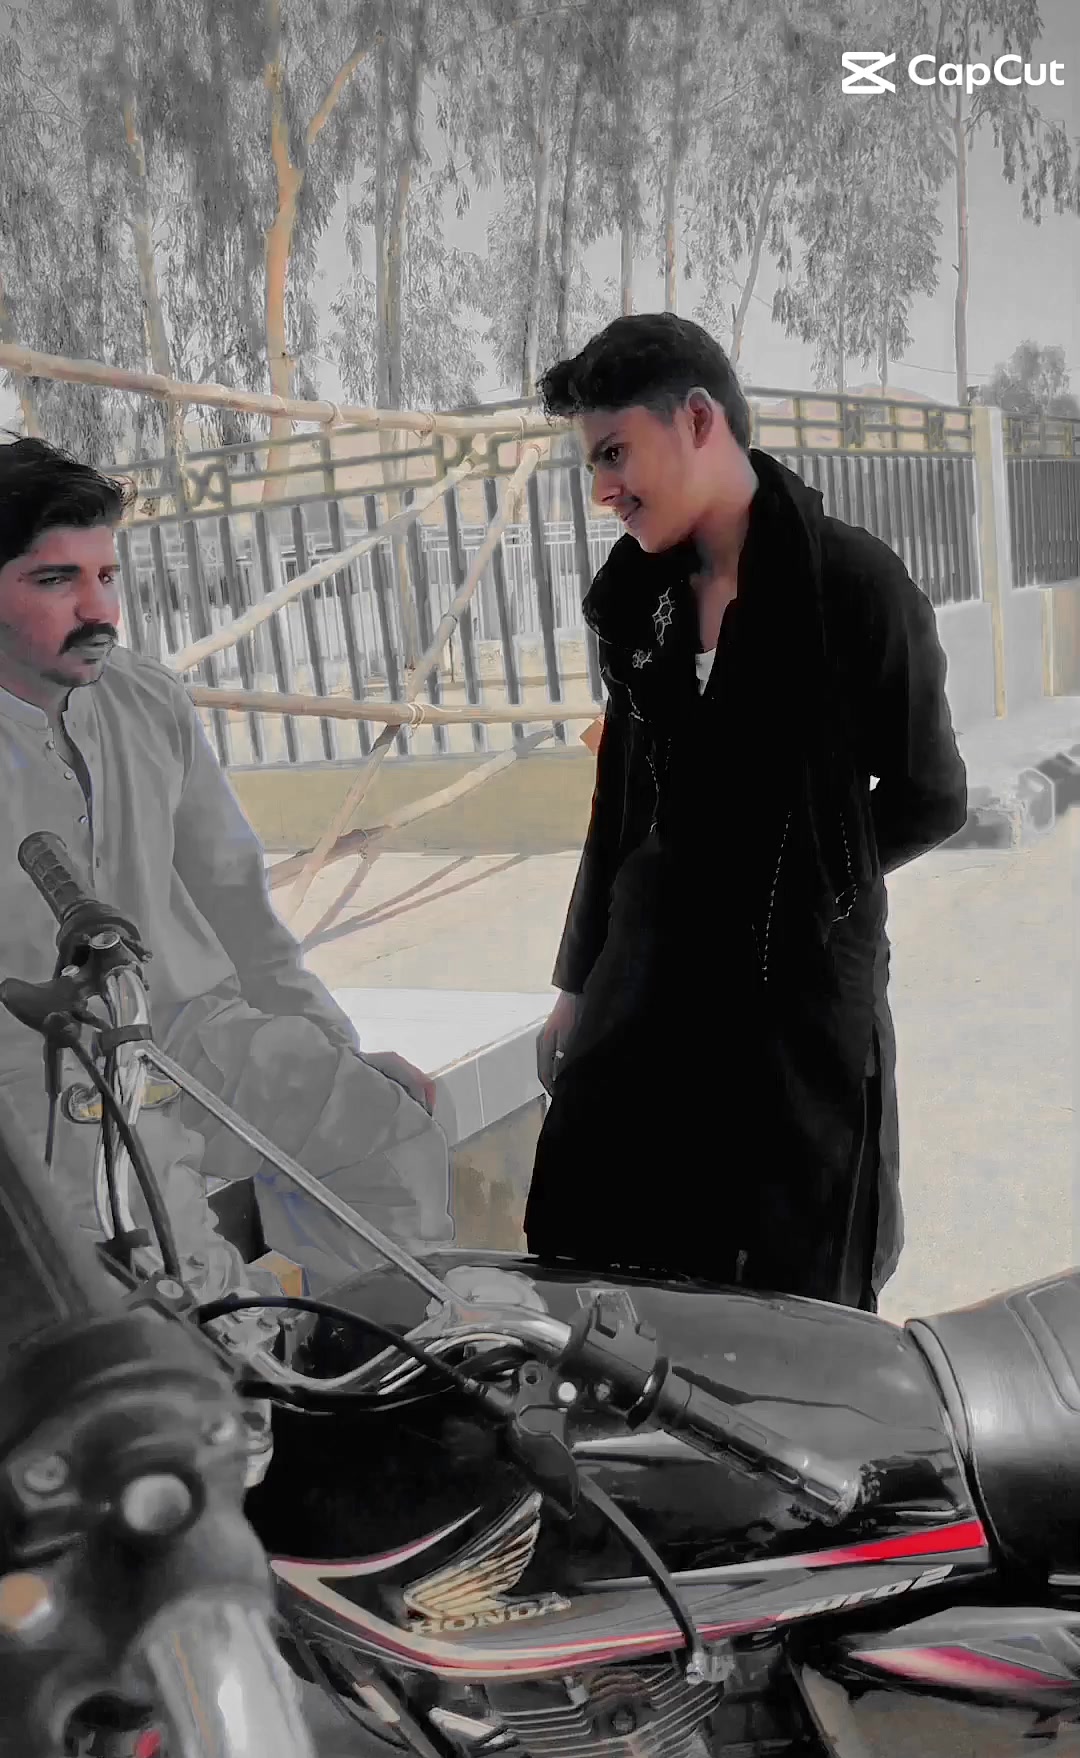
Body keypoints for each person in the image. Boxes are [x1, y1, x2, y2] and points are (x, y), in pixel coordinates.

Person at [525, 315, 968, 1309]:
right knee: (614, 1275)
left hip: (797, 1005)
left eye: (614, 453)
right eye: (593, 464)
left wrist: (815, 876)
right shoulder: (642, 604)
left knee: (791, 1302)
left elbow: (933, 794)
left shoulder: (854, 588)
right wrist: (576, 983)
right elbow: (620, 807)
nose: (602, 490)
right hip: (648, 994)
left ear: (697, 421)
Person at [0, 436, 454, 1297]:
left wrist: (333, 1050)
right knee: (181, 1276)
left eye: (107, 575)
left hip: (189, 1034)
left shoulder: (146, 699)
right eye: (56, 580)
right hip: (44, 1078)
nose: (99, 610)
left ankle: (367, 1358)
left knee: (389, 1128)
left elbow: (237, 903)